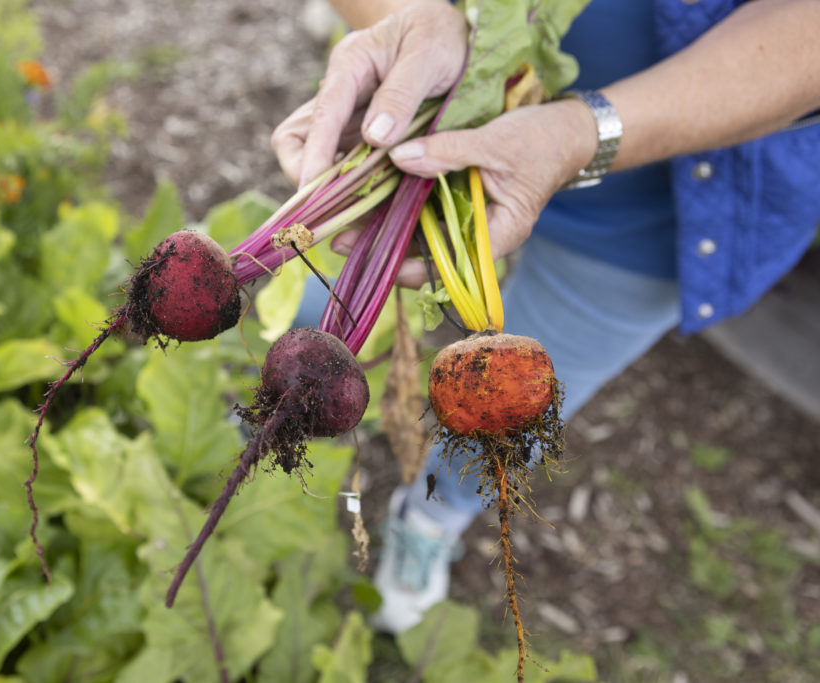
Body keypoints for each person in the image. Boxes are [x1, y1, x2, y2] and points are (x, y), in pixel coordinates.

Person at [273, 0, 820, 633]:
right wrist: (410, 16)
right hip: (422, 139)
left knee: (504, 413)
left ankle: (434, 515)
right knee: (327, 302)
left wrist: (584, 132)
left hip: (657, 204)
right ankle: (278, 408)